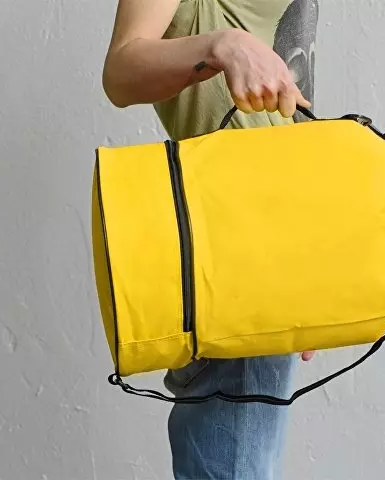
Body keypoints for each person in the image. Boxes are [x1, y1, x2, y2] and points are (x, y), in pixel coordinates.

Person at [102, 0, 319, 478]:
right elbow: (120, 71)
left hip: (277, 254)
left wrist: (312, 255)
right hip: (234, 251)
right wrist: (224, 45)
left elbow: (290, 82)